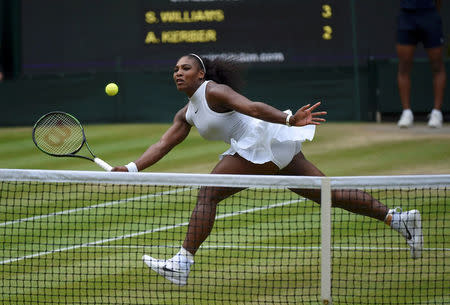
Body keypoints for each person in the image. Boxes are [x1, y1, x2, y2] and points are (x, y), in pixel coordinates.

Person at [112, 54, 423, 286]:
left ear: (201, 73)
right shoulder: (187, 113)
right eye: (175, 70)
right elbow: (164, 143)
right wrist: (130, 167)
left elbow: (252, 107)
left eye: (185, 68)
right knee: (329, 194)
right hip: (272, 147)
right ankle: (400, 221)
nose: (178, 73)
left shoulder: (213, 91)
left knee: (207, 192)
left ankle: (182, 263)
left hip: (262, 142)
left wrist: (289, 120)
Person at [396, 0, 446, 128]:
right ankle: (406, 112)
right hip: (407, 16)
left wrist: (432, 10)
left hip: (430, 14)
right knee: (404, 66)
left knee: (437, 65)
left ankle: (436, 113)